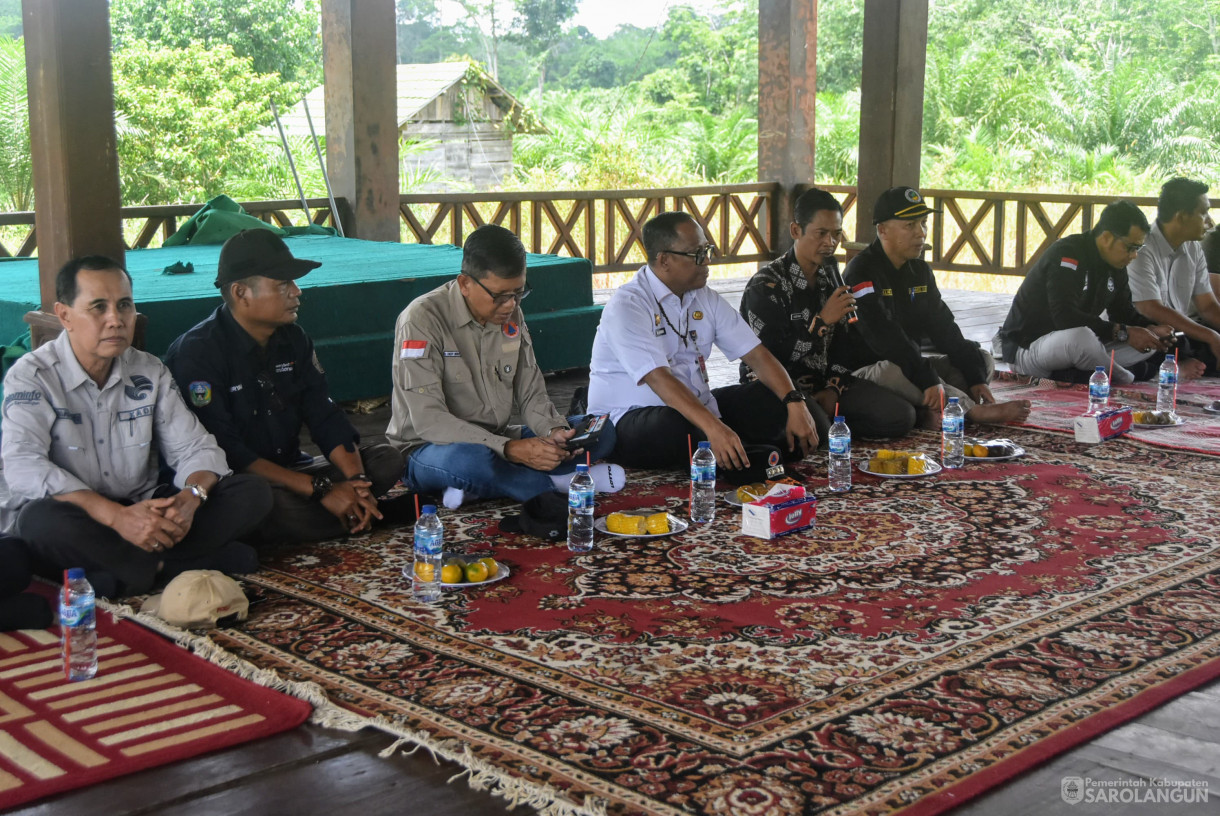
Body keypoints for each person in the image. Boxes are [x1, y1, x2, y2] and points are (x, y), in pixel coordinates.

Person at [1, 257, 271, 598]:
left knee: (252, 493)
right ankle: (167, 567)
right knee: (37, 523)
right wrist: (115, 518)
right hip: (79, 516)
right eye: (98, 307)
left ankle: (119, 572)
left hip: (142, 508)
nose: (115, 320)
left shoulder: (149, 370)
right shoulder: (33, 375)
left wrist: (190, 500)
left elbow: (196, 448)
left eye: (124, 305)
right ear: (65, 315)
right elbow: (24, 466)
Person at [166, 230, 408, 544]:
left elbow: (325, 415)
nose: (297, 292)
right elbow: (227, 453)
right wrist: (322, 491)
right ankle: (354, 516)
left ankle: (342, 511)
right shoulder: (197, 354)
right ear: (241, 293)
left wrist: (355, 481)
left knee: (385, 459)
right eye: (283, 285)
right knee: (258, 500)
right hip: (237, 480)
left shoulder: (293, 339)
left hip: (293, 471)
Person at [387, 224, 620, 508]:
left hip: (499, 440)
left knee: (599, 432)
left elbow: (531, 390)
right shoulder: (422, 320)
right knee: (470, 460)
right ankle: (553, 486)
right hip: (431, 448)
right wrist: (510, 450)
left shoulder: (511, 314)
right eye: (499, 296)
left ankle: (484, 486)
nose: (510, 305)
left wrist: (554, 432)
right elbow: (429, 421)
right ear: (465, 284)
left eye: (519, 293)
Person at [588, 211, 818, 473]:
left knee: (788, 404)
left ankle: (739, 454)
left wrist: (793, 401)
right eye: (697, 254)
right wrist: (713, 427)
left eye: (707, 250)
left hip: (697, 409)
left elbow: (756, 355)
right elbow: (659, 380)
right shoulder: (628, 305)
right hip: (630, 419)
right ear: (664, 260)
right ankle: (741, 455)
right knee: (675, 429)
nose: (708, 260)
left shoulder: (704, 297)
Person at [739, 188, 915, 441]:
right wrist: (820, 324)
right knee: (817, 430)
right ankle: (816, 426)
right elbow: (768, 356)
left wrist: (833, 388)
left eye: (836, 234)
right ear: (796, 231)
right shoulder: (766, 286)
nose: (830, 243)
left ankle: (825, 425)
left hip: (824, 384)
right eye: (821, 234)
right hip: (778, 388)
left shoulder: (831, 279)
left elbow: (845, 345)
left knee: (901, 415)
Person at [844, 187, 1030, 425]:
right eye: (909, 225)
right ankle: (970, 413)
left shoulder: (919, 272)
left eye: (923, 223)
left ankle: (930, 410)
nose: (921, 233)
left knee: (981, 359)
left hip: (910, 366)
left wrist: (975, 378)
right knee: (893, 370)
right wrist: (925, 376)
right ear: (882, 230)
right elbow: (884, 338)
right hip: (870, 372)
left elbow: (944, 328)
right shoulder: (861, 271)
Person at [997, 200, 1176, 384]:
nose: (1134, 255)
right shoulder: (1069, 253)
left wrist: (1150, 328)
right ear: (1106, 238)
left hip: (1074, 350)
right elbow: (1065, 317)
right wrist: (1125, 333)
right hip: (1029, 348)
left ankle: (1081, 373)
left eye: (1138, 248)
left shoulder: (1116, 264)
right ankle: (1127, 377)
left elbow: (1123, 313)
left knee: (1150, 342)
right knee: (1081, 338)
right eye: (1130, 248)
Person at [1128, 178, 1220, 376]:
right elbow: (1150, 308)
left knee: (1199, 345)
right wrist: (1211, 336)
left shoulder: (1193, 248)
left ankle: (1182, 365)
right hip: (1144, 334)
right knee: (1165, 343)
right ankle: (1171, 370)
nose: (1209, 222)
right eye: (1203, 213)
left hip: (1177, 335)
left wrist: (1214, 336)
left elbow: (1208, 307)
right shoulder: (1141, 249)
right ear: (1181, 217)